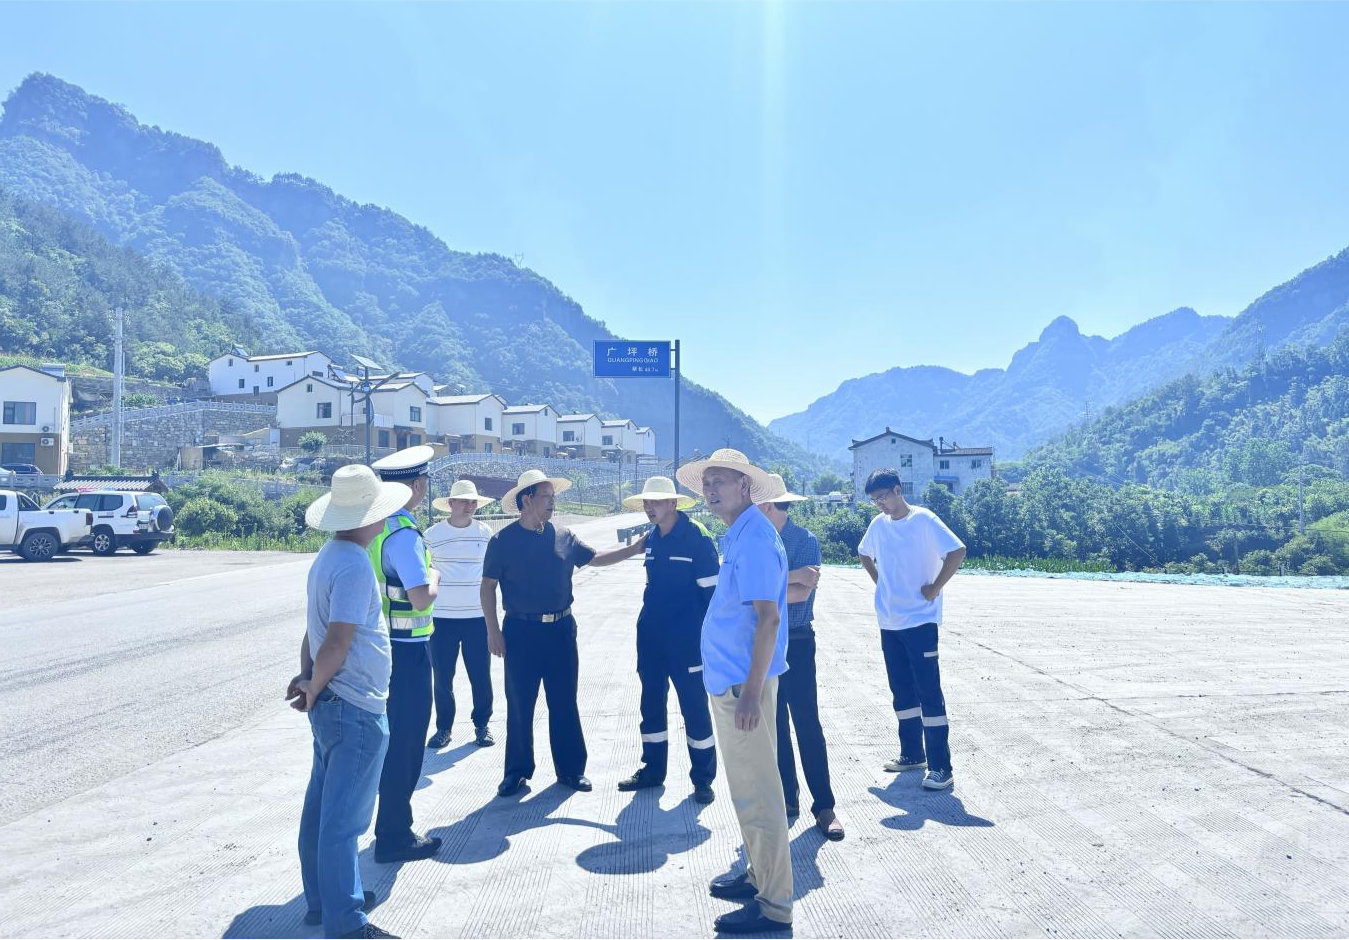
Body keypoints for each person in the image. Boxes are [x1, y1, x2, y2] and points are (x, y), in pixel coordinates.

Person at [289, 464, 409, 940]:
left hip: (332, 703)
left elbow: (313, 631)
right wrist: (314, 684)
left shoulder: (328, 555)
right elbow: (337, 640)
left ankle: (326, 900)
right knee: (344, 822)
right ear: (367, 516)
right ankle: (347, 923)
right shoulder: (356, 564)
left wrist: (309, 678)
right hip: (353, 704)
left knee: (321, 809)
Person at [675, 448, 792, 935]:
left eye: (719, 481)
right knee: (747, 789)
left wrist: (748, 694)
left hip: (744, 685)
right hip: (733, 680)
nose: (710, 490)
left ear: (745, 486)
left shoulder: (755, 538)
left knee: (758, 794)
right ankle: (758, 875)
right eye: (707, 483)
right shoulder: (741, 534)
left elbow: (769, 619)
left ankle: (774, 905)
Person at [481, 468, 647, 797]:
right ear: (527, 500)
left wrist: (634, 549)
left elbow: (594, 558)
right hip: (520, 632)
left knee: (564, 702)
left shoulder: (564, 535)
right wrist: (492, 631)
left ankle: (571, 770)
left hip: (560, 631)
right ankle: (516, 772)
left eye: (553, 497)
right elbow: (487, 587)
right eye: (546, 497)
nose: (552, 502)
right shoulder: (503, 541)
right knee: (520, 704)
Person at [858, 468, 967, 790]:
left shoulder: (924, 520)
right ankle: (912, 754)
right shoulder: (878, 525)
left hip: (920, 620)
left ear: (898, 490)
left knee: (928, 692)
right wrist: (881, 583)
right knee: (902, 691)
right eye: (874, 500)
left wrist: (935, 588)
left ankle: (941, 767)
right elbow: (864, 553)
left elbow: (957, 551)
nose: (879, 504)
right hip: (889, 621)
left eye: (882, 497)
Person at [616, 475, 720, 804]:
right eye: (647, 502)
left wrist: (711, 643)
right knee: (651, 705)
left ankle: (703, 778)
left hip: (687, 641)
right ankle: (652, 770)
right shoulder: (652, 539)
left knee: (694, 707)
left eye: (656, 501)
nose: (650, 507)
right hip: (651, 638)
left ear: (673, 503)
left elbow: (713, 598)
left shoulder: (697, 538)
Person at [756, 474, 844, 841]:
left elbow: (801, 595)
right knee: (774, 724)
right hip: (765, 640)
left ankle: (824, 805)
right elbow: (765, 589)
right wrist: (794, 576)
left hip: (796, 639)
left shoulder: (804, 540)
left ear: (768, 506)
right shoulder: (758, 541)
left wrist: (767, 585)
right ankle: (787, 799)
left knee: (807, 722)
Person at [367, 446, 443, 863]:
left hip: (383, 648)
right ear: (416, 486)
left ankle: (389, 827)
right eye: (424, 482)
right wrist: (435, 575)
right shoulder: (404, 535)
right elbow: (420, 598)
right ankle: (395, 835)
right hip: (409, 653)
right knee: (407, 745)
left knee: (392, 742)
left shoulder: (375, 527)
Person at [425, 480, 496, 750]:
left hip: (477, 617)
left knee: (480, 675)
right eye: (464, 501)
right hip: (442, 618)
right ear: (450, 503)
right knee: (442, 678)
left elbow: (492, 572)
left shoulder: (485, 532)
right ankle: (443, 728)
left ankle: (482, 725)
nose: (469, 506)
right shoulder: (432, 535)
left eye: (473, 502)